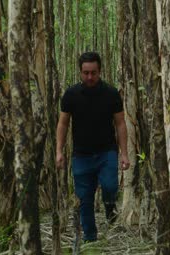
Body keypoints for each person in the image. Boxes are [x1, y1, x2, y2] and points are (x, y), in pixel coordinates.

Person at [55, 52, 130, 242]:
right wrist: (59, 150)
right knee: (84, 199)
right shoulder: (71, 95)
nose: (90, 77)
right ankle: (90, 238)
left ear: (100, 71)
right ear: (80, 72)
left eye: (93, 73)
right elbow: (63, 123)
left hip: (107, 152)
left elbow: (120, 123)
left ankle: (109, 205)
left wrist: (124, 153)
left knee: (110, 186)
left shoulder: (111, 94)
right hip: (81, 155)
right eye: (86, 73)